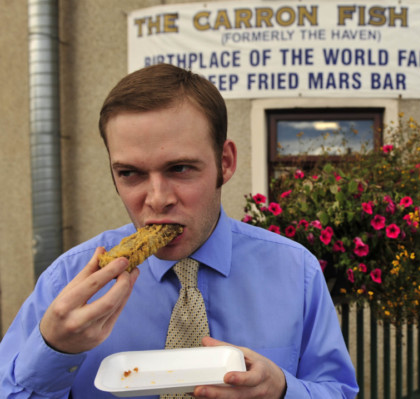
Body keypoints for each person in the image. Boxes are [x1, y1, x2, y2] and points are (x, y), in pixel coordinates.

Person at [0, 64, 359, 398]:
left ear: (225, 163)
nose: (157, 199)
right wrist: (52, 350)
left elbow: (338, 390)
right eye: (130, 173)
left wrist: (282, 389)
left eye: (181, 168)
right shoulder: (68, 279)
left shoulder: (296, 272)